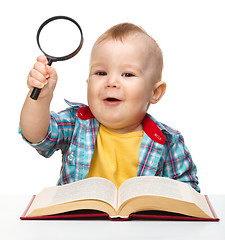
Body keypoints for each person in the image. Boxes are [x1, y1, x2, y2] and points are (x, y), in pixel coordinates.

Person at [19, 23, 200, 192]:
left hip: (142, 226)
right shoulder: (76, 123)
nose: (111, 82)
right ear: (88, 83)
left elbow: (188, 194)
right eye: (101, 73)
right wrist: (41, 99)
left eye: (128, 74)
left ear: (155, 93)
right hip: (78, 224)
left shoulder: (168, 142)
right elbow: (36, 136)